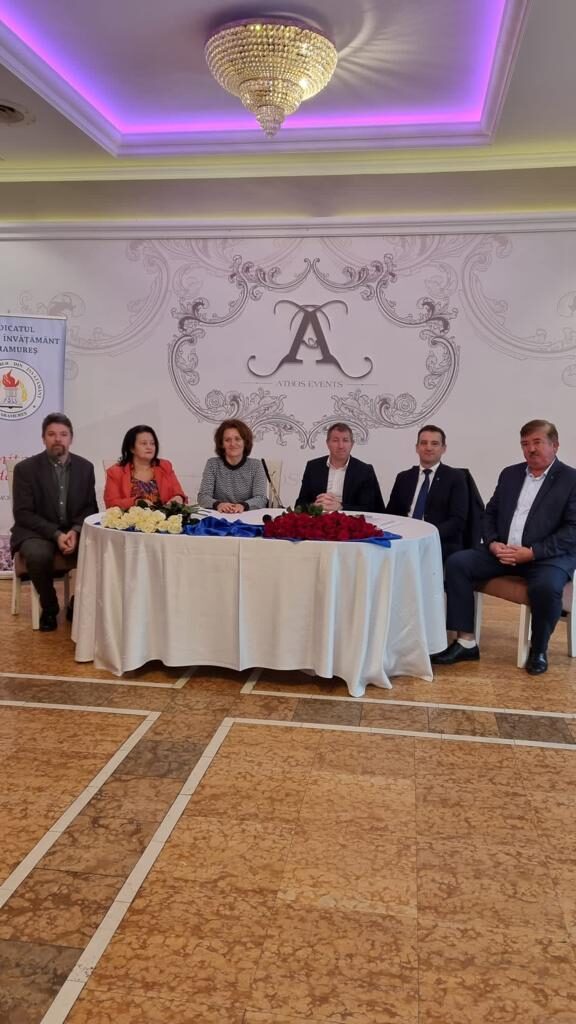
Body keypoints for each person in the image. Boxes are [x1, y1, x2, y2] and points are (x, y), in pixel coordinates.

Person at [433, 419, 576, 675]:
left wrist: (532, 552)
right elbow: (489, 513)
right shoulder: (510, 474)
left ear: (555, 445)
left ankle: (538, 649)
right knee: (457, 563)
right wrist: (492, 543)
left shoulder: (571, 479)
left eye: (537, 442)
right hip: (503, 551)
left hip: (546, 557)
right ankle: (466, 642)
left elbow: (572, 529)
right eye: (525, 444)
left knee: (546, 587)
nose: (531, 449)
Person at [10, 412, 98, 632]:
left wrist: (75, 531)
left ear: (71, 438)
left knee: (102, 549)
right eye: (51, 434)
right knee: (38, 554)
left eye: (63, 434)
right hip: (36, 531)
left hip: (73, 530)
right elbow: (23, 513)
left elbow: (90, 508)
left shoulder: (86, 468)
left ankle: (76, 603)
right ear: (43, 438)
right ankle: (49, 607)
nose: (58, 439)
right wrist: (56, 534)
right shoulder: (25, 469)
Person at [386, 424, 469, 561]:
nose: (428, 448)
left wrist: (427, 535)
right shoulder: (403, 477)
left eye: (434, 444)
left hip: (438, 542)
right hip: (403, 541)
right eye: (424, 443)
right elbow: (391, 514)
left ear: (444, 448)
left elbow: (457, 520)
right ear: (417, 448)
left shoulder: (456, 477)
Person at [296, 422, 385, 513]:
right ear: (328, 443)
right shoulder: (313, 467)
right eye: (335, 440)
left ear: (352, 444)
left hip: (350, 520)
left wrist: (341, 507)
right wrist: (314, 506)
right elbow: (299, 505)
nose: (341, 446)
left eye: (345, 440)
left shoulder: (364, 471)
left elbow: (369, 508)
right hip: (319, 518)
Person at [104, 425, 185, 510]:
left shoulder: (165, 466)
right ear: (131, 448)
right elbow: (111, 504)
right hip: (132, 518)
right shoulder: (115, 472)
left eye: (152, 443)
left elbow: (179, 493)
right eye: (144, 443)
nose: (149, 447)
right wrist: (135, 502)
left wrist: (178, 498)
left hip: (164, 517)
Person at [198, 418, 268, 512]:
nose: (233, 444)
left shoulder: (256, 465)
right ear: (221, 444)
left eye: (237, 439)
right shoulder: (212, 464)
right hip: (220, 515)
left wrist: (243, 506)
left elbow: (261, 498)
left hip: (247, 515)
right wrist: (218, 505)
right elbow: (203, 497)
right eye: (227, 440)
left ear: (245, 442)